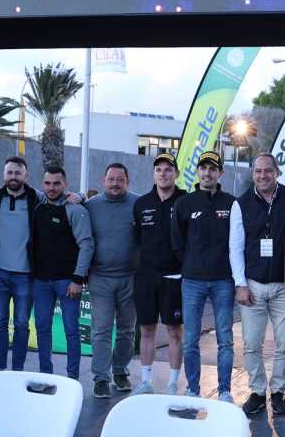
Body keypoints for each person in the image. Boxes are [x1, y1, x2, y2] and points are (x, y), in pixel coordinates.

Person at [229, 153, 285, 417]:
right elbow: (235, 247)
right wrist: (240, 284)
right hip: (253, 285)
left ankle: (278, 392)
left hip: (284, 286)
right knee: (251, 344)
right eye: (258, 171)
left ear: (277, 172)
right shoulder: (241, 204)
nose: (263, 175)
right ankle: (257, 392)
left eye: (268, 170)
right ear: (253, 174)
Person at [172, 151, 237, 401]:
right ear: (198, 171)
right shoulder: (184, 204)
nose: (207, 173)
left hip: (223, 281)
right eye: (203, 168)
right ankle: (192, 389)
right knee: (190, 340)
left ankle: (225, 391)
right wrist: (191, 265)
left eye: (212, 169)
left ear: (220, 173)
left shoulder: (232, 203)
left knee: (225, 339)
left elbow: (237, 241)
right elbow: (177, 242)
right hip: (192, 281)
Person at [30, 165, 94, 379]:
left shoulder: (76, 210)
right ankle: (46, 375)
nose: (51, 187)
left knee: (71, 331)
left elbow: (87, 245)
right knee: (42, 328)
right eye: (47, 183)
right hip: (41, 281)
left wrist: (77, 279)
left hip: (67, 281)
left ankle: (72, 378)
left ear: (65, 184)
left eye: (56, 183)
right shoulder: (38, 207)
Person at [84, 163, 140, 400]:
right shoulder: (90, 206)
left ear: (127, 181)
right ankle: (100, 377)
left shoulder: (138, 204)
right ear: (103, 180)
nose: (115, 183)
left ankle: (119, 371)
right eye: (111, 179)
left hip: (131, 277)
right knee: (102, 330)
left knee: (127, 330)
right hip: (100, 278)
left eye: (120, 179)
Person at [133, 153, 186, 395]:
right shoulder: (141, 203)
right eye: (158, 169)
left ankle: (173, 384)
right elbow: (136, 240)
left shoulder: (185, 201)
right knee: (146, 330)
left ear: (176, 173)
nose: (163, 173)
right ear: (153, 174)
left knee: (174, 331)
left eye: (168, 169)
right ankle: (146, 382)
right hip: (146, 277)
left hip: (174, 277)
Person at [0, 156, 39, 373]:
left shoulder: (36, 199)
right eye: (10, 172)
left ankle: (17, 371)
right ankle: (0, 370)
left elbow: (61, 197)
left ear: (26, 176)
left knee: (21, 324)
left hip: (25, 275)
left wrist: (80, 196)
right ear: (4, 175)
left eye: (18, 173)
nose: (13, 177)